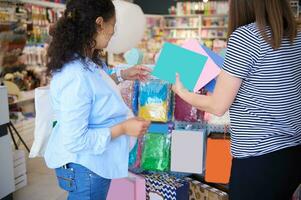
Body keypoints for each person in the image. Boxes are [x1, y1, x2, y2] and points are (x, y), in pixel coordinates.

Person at [172, 0, 301, 200]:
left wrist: (182, 92)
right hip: (292, 153)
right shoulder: (295, 35)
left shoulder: (246, 37)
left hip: (258, 157)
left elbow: (218, 106)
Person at [44, 0, 151, 199]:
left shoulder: (83, 62)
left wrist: (122, 75)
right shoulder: (75, 75)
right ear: (100, 23)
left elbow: (92, 91)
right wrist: (124, 129)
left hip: (91, 167)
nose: (114, 31)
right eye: (113, 24)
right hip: (86, 170)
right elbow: (76, 140)